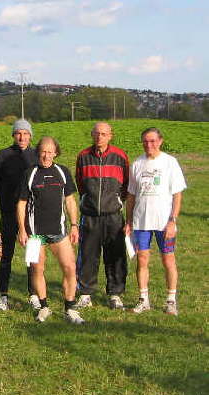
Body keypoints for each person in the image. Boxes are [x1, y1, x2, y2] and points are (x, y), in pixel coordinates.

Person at [17, 136, 85, 324]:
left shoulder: (62, 171)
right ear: (38, 152)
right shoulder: (30, 173)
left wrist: (74, 225)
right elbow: (21, 203)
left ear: (56, 153)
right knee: (37, 269)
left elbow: (70, 200)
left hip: (58, 231)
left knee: (70, 268)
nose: (46, 156)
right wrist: (22, 230)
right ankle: (44, 307)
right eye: (43, 152)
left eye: (50, 152)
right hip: (34, 234)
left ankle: (70, 309)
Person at [124, 128, 186, 315]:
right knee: (142, 259)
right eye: (145, 141)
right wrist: (129, 221)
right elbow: (131, 195)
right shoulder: (137, 164)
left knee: (168, 259)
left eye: (152, 141)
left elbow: (177, 194)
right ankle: (144, 300)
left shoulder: (170, 162)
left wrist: (173, 220)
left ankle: (171, 300)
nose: (148, 145)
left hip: (164, 222)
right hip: (141, 221)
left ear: (160, 141)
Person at [74, 122, 129, 310]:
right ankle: (85, 293)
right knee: (88, 255)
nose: (100, 137)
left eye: (104, 134)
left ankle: (115, 294)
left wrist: (116, 201)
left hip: (113, 215)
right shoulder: (83, 156)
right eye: (97, 133)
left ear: (110, 136)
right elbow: (80, 183)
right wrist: (88, 200)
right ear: (92, 134)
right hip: (90, 215)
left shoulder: (120, 156)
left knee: (115, 255)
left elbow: (126, 183)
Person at [0, 119, 38, 311]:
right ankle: (3, 295)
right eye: (18, 133)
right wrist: (7, 197)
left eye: (25, 133)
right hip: (9, 211)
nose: (22, 137)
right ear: (13, 135)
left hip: (32, 214)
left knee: (32, 255)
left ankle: (34, 293)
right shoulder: (2, 156)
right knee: (6, 255)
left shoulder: (37, 155)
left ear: (30, 136)